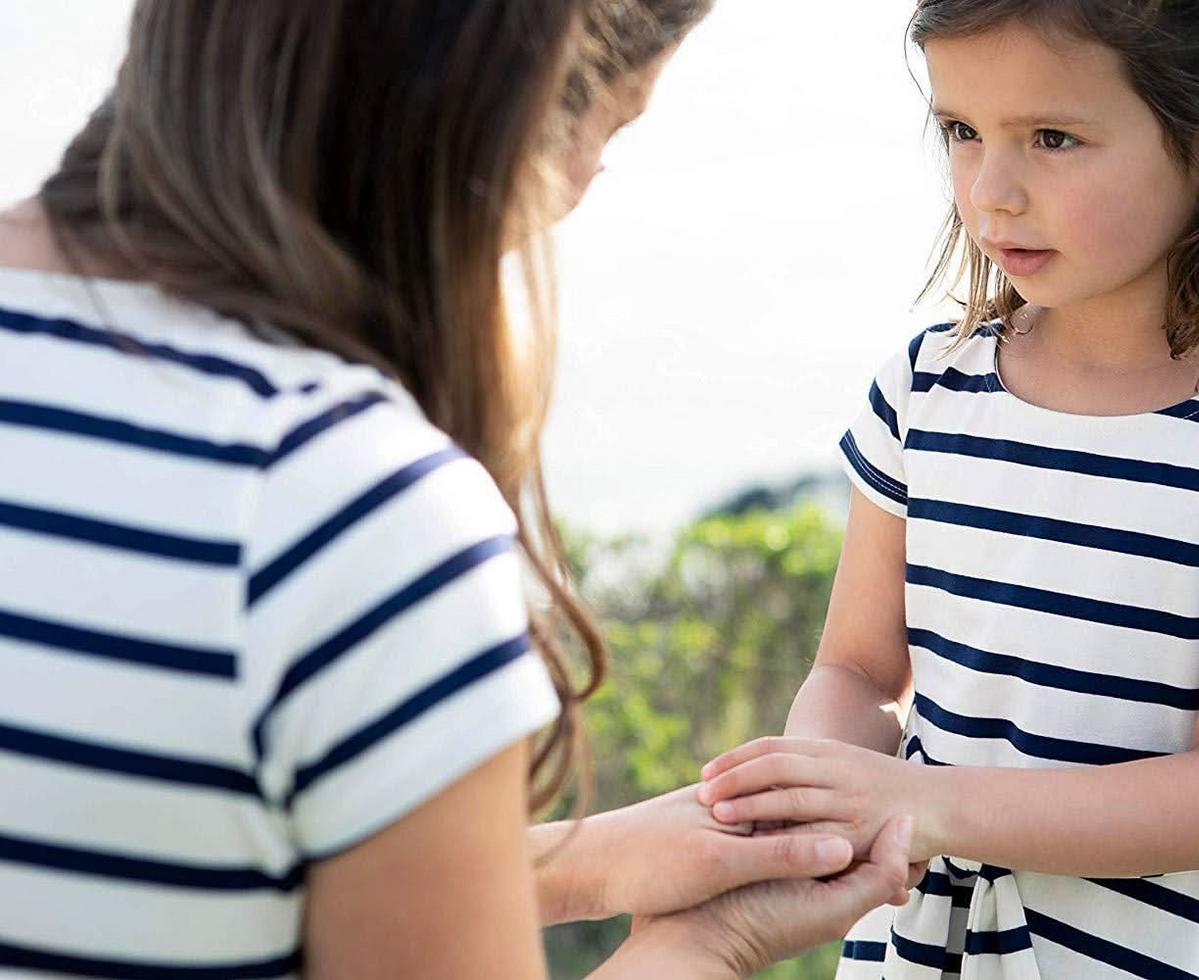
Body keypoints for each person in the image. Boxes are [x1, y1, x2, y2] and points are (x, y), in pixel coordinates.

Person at [0, 1, 909, 977]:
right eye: (615, 124)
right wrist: (707, 941)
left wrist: (585, 863)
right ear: (501, 102)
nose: (585, 183)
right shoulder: (344, 509)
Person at [696, 1, 1199, 977]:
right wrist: (820, 795)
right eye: (959, 131)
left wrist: (923, 804)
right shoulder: (925, 384)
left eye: (1050, 138)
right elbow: (859, 670)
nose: (990, 192)